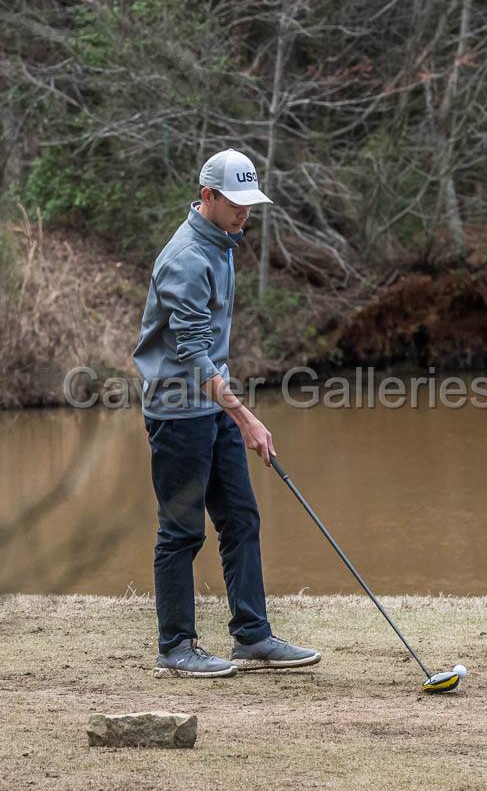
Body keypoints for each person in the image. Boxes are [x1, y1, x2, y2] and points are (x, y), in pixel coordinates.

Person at [132, 149, 321, 678]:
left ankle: (253, 638)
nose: (245, 213)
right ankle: (176, 648)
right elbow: (192, 353)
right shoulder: (187, 257)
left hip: (210, 402)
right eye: (236, 203)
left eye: (250, 204)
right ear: (208, 197)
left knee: (240, 517)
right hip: (177, 411)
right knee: (181, 531)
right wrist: (246, 417)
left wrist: (231, 410)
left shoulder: (222, 244)